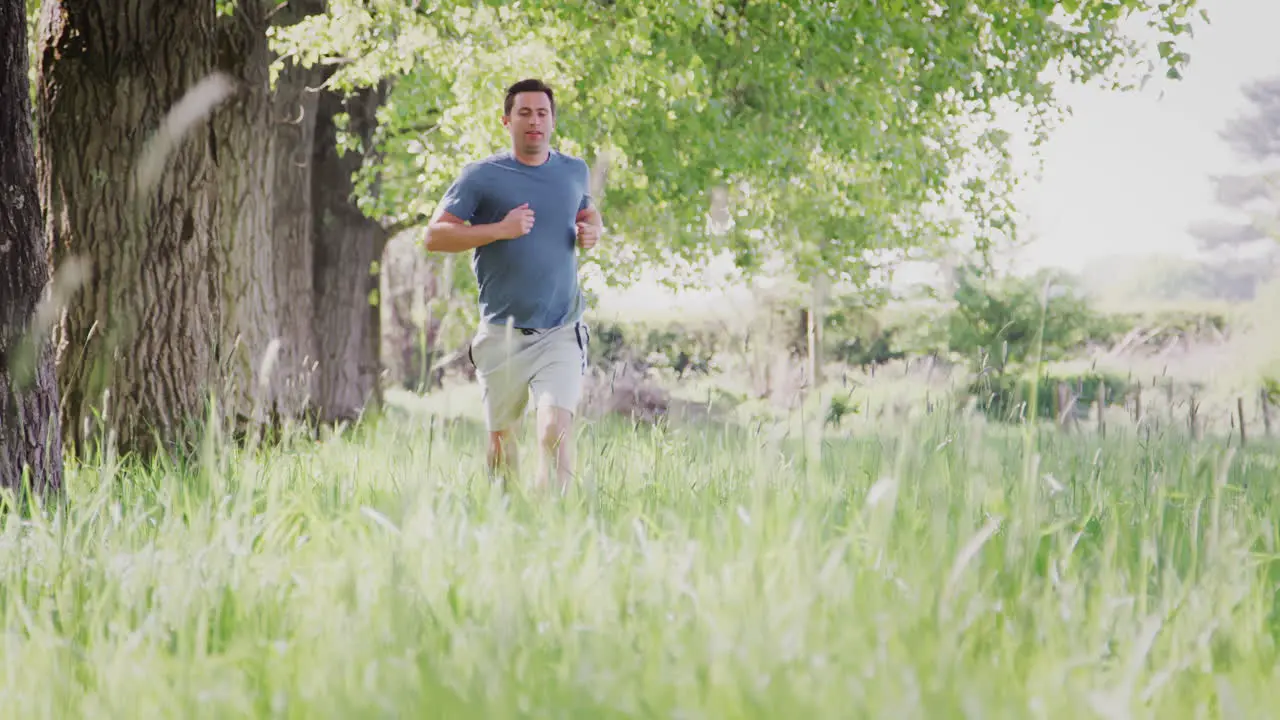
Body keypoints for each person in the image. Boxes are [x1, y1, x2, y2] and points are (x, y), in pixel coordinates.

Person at [424, 78, 602, 493]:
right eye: (524, 113)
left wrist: (594, 231)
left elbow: (588, 213)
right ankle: (507, 520)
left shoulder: (574, 170)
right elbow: (435, 236)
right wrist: (499, 230)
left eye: (542, 113)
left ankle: (550, 525)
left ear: (553, 122)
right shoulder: (482, 176)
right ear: (506, 121)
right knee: (502, 442)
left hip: (561, 329)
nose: (534, 121)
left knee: (554, 430)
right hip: (501, 333)